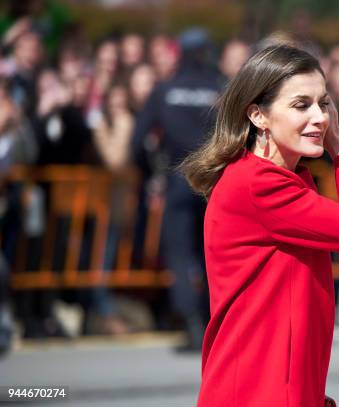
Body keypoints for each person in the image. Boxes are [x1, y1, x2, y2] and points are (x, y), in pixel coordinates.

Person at [179, 44, 339, 406]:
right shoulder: (259, 185)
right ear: (258, 116)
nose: (320, 117)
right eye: (301, 105)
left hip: (275, 387)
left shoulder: (282, 178)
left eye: (324, 103)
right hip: (257, 392)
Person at [132, 28, 220, 351]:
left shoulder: (165, 90)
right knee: (213, 255)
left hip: (179, 179)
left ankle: (194, 326)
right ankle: (213, 322)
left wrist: (150, 173)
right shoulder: (220, 88)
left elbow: (138, 142)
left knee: (180, 254)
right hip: (214, 182)